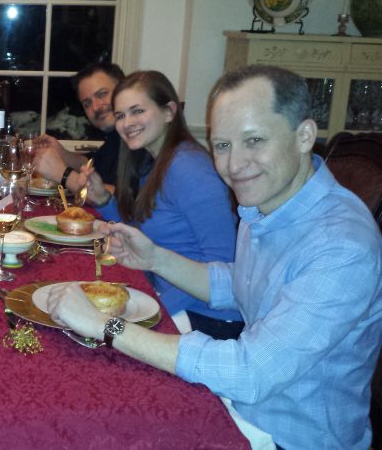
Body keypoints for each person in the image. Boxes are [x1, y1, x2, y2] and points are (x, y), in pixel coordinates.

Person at [46, 65, 382, 449]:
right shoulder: (268, 207)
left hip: (283, 437)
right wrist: (156, 259)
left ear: (304, 135)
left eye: (254, 140)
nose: (234, 165)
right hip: (235, 408)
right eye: (222, 145)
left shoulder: (342, 246)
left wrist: (105, 325)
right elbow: (239, 283)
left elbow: (249, 373)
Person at [80, 71, 242, 338]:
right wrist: (103, 200)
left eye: (137, 111)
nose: (127, 123)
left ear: (169, 112)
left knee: (101, 336)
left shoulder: (190, 168)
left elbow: (224, 262)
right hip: (169, 298)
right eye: (120, 115)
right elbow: (141, 230)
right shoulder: (151, 162)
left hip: (207, 318)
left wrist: (151, 308)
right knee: (82, 314)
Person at [33, 62, 124, 189]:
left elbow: (127, 198)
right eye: (87, 103)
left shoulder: (137, 139)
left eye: (102, 94)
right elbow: (93, 166)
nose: (95, 107)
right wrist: (63, 154)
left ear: (123, 90)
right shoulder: (115, 137)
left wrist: (62, 174)